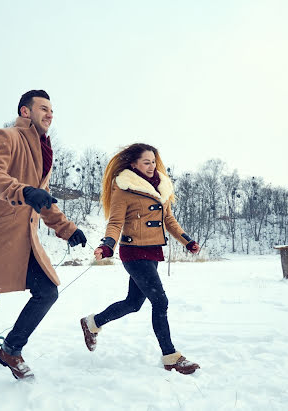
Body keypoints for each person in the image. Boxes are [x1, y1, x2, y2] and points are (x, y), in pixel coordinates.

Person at [0, 90, 87, 384]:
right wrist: (23, 191)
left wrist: (67, 229)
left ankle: (11, 350)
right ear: (25, 111)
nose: (50, 114)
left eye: (52, 110)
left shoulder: (44, 151)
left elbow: (42, 200)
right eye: (44, 108)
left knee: (47, 292)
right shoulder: (5, 136)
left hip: (26, 241)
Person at [80, 143, 201, 375]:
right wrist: (106, 246)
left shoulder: (161, 188)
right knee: (160, 302)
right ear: (133, 164)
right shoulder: (123, 189)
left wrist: (188, 241)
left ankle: (92, 323)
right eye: (146, 162)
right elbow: (115, 223)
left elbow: (170, 221)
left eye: (153, 161)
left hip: (153, 251)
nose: (151, 166)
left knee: (133, 304)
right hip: (134, 252)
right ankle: (171, 356)